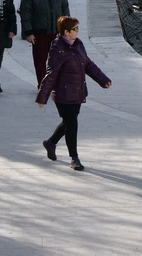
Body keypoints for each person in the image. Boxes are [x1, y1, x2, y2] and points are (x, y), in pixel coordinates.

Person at [36, 16, 112, 171]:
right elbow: (50, 75)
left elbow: (88, 64)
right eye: (75, 29)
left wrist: (103, 80)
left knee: (68, 122)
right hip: (63, 94)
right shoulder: (57, 49)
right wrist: (42, 97)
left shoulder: (78, 44)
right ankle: (74, 158)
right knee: (72, 123)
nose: (78, 31)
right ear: (66, 32)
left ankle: (50, 143)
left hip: (77, 92)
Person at [20, 0, 70, 87]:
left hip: (56, 32)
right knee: (40, 61)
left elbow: (65, 7)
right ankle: (43, 85)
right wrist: (29, 32)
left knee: (58, 60)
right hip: (39, 33)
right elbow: (25, 14)